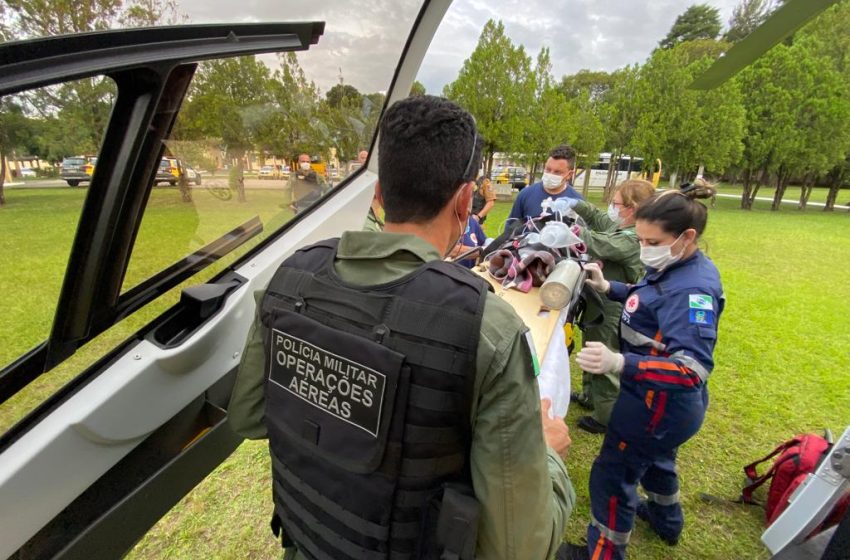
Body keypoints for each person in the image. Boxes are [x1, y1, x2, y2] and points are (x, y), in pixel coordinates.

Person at [228, 95, 576, 560]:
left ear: (378, 195)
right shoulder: (487, 329)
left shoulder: (286, 279)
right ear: (465, 200)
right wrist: (549, 456)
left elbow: (250, 417)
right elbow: (520, 547)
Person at [562, 184, 724, 560]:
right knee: (657, 459)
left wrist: (621, 363)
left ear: (687, 237)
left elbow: (690, 369)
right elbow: (650, 296)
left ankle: (601, 553)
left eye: (652, 242)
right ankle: (667, 521)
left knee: (612, 474)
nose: (644, 249)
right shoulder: (679, 266)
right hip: (667, 408)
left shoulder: (693, 290)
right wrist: (612, 287)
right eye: (640, 240)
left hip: (657, 403)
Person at [564, 179, 656, 434]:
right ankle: (590, 396)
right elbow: (601, 221)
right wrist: (576, 204)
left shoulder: (634, 238)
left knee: (604, 353)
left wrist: (570, 229)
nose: (612, 209)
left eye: (616, 204)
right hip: (599, 299)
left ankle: (605, 416)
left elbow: (598, 243)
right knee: (591, 347)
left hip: (612, 303)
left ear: (633, 208)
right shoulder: (623, 226)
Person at [507, 145, 584, 223]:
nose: (550, 174)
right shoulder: (525, 195)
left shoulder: (577, 202)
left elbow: (581, 232)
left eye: (557, 172)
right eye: (548, 169)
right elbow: (510, 229)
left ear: (570, 175)